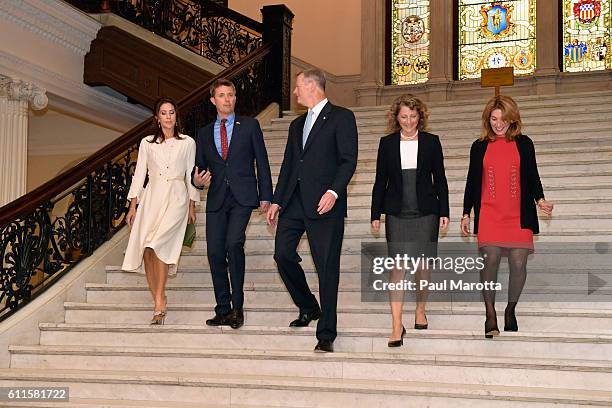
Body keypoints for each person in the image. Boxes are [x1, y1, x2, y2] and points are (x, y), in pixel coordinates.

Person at [266, 69, 358, 353]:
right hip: (294, 203)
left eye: (298, 87)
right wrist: (277, 200)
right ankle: (308, 305)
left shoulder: (342, 117)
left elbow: (348, 160)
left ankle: (326, 332)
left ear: (312, 87)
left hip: (324, 204)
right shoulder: (296, 125)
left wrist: (333, 192)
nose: (295, 93)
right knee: (282, 254)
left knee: (327, 268)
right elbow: (289, 165)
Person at [461, 95, 554, 338]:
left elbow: (532, 175)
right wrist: (465, 213)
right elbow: (472, 182)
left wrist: (541, 200)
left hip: (518, 214)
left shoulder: (525, 143)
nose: (498, 124)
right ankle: (490, 313)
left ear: (512, 119)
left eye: (502, 119)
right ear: (487, 119)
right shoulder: (478, 146)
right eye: (493, 118)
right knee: (490, 259)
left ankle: (510, 308)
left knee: (518, 263)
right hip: (490, 212)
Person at [192, 78, 272, 329]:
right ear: (213, 100)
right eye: (222, 95)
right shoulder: (204, 133)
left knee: (233, 243)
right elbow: (199, 169)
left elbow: (262, 161)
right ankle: (222, 309)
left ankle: (237, 307)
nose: (227, 99)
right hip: (216, 198)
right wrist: (196, 181)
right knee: (215, 253)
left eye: (230, 95)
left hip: (243, 197)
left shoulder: (250, 126)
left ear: (235, 98)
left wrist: (266, 195)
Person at [371, 94, 449, 347]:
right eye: (403, 116)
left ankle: (420, 309)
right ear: (396, 117)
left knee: (423, 266)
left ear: (420, 117)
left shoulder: (431, 142)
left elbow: (441, 179)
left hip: (426, 211)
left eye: (413, 116)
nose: (408, 121)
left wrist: (445, 211)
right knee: (397, 268)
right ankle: (396, 325)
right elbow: (380, 181)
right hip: (397, 212)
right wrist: (375, 213)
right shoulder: (386, 143)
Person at [122, 97, 200, 325]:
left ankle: (159, 300)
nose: (168, 116)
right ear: (157, 118)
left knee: (158, 244)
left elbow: (189, 175)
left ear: (176, 116)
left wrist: (192, 205)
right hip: (152, 196)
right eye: (164, 113)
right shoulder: (147, 143)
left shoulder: (188, 142)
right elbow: (139, 174)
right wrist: (133, 204)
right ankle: (159, 298)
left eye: (172, 112)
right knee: (147, 248)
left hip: (177, 197)